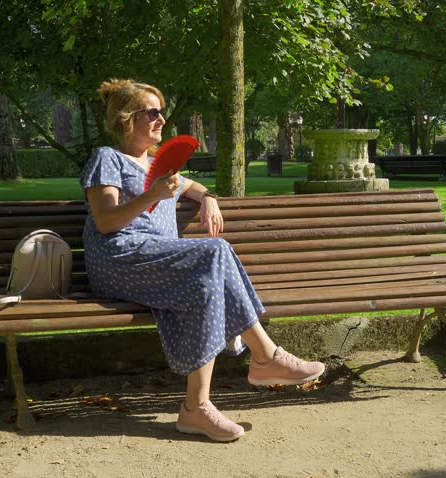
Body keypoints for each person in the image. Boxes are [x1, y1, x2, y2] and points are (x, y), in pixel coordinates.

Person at [80, 79, 325, 442]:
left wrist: (208, 196)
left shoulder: (158, 166)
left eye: (162, 111)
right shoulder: (107, 158)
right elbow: (106, 221)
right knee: (215, 250)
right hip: (119, 259)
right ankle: (264, 356)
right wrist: (151, 195)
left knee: (205, 284)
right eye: (153, 112)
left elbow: (190, 186)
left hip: (158, 262)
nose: (161, 119)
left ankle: (197, 408)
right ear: (128, 119)